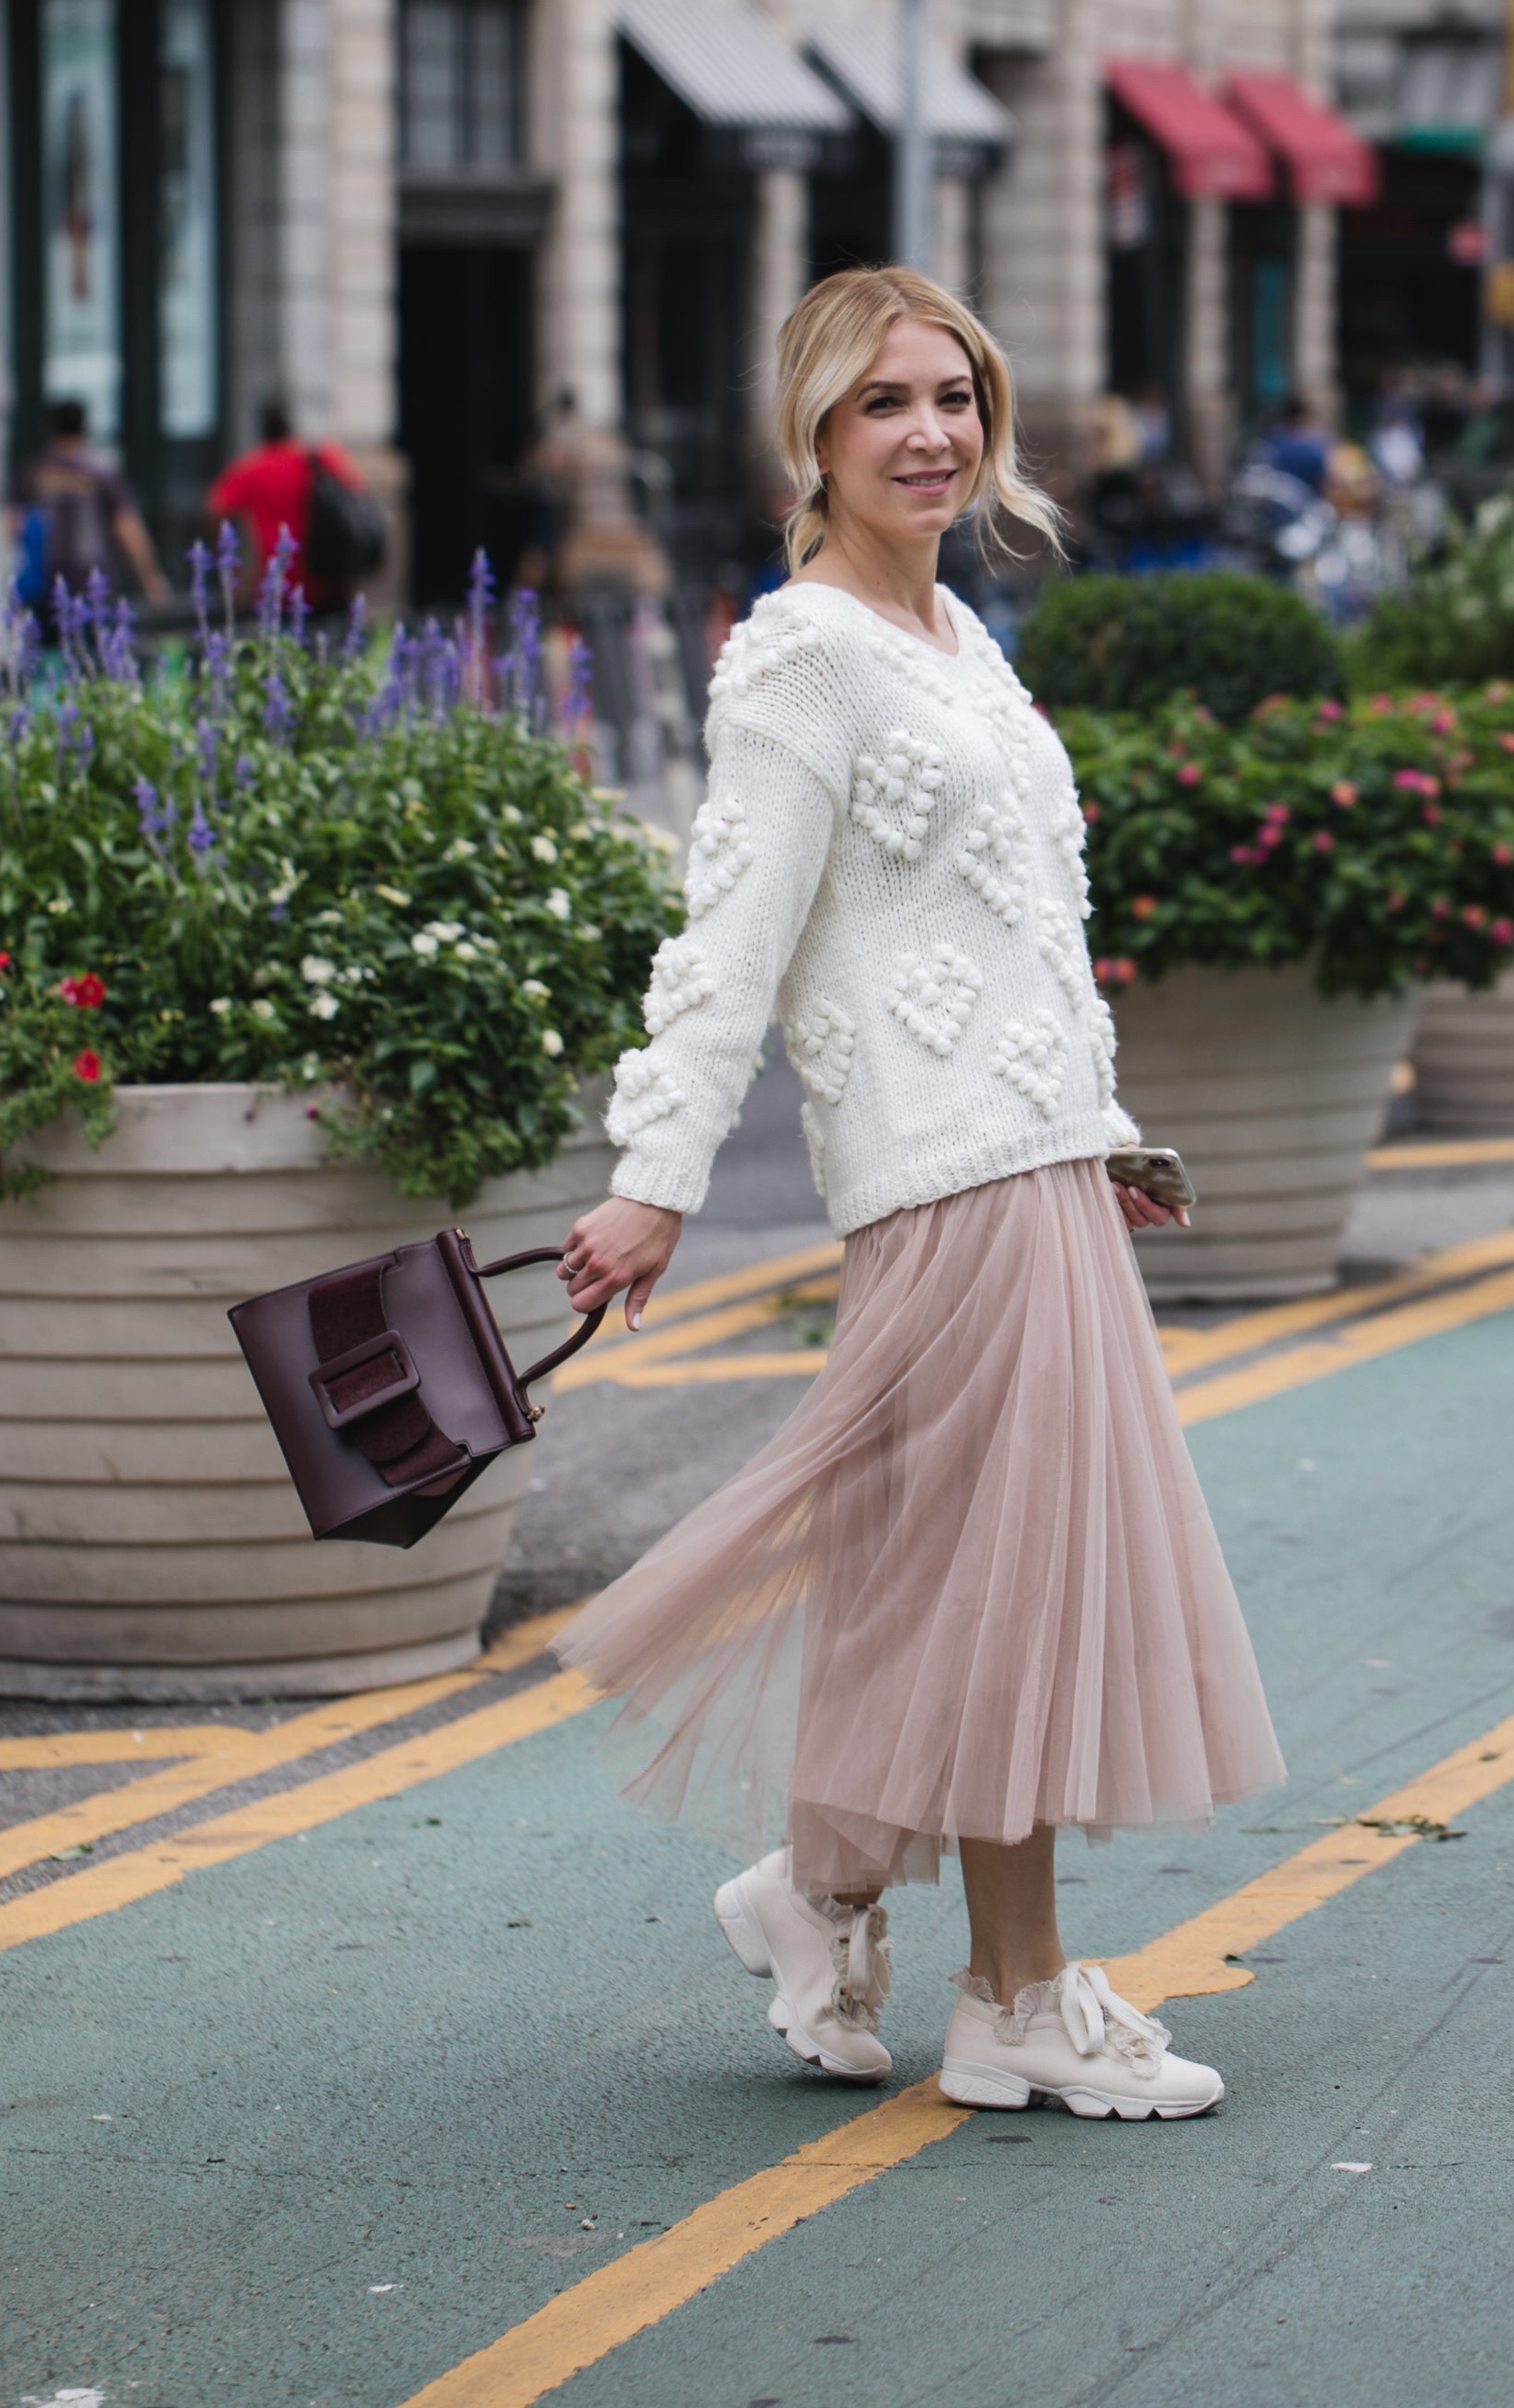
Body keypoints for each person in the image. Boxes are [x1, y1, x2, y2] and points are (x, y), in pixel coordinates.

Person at [553, 267, 1282, 2121]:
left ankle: (824, 1894)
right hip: (936, 1189)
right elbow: (732, 933)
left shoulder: (960, 635)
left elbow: (1034, 923)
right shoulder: (801, 654)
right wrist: (655, 1182)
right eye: (886, 403)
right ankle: (1017, 1998)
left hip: (1035, 1166)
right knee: (1008, 1587)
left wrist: (1107, 1133)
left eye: (955, 397)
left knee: (956, 1582)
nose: (932, 433)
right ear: (814, 431)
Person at [205, 400, 372, 614]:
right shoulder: (322, 457)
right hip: (332, 580)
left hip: (279, 588)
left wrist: (233, 569)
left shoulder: (254, 467)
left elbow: (213, 510)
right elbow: (359, 492)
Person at [12, 399, 166, 620]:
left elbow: (13, 526)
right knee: (93, 650)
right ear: (85, 427)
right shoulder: (101, 472)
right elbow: (127, 526)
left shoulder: (34, 473)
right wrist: (150, 577)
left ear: (49, 428)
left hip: (44, 581)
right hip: (92, 580)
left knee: (45, 651)